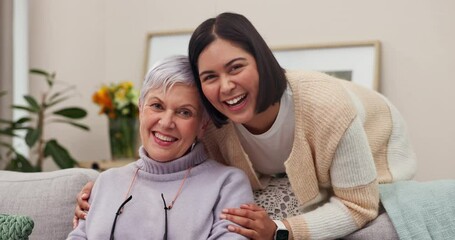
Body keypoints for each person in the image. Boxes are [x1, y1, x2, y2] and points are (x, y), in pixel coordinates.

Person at [75, 13, 417, 240]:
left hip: (378, 143)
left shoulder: (324, 106)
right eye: (210, 76)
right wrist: (106, 188)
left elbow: (359, 205)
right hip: (283, 169)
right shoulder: (213, 124)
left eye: (236, 67)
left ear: (261, 59)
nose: (225, 87)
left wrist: (282, 230)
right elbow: (164, 151)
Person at [68, 55, 254, 239]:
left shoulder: (227, 184)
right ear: (140, 109)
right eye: (157, 106)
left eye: (184, 112)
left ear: (202, 125)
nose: (166, 123)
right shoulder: (106, 182)